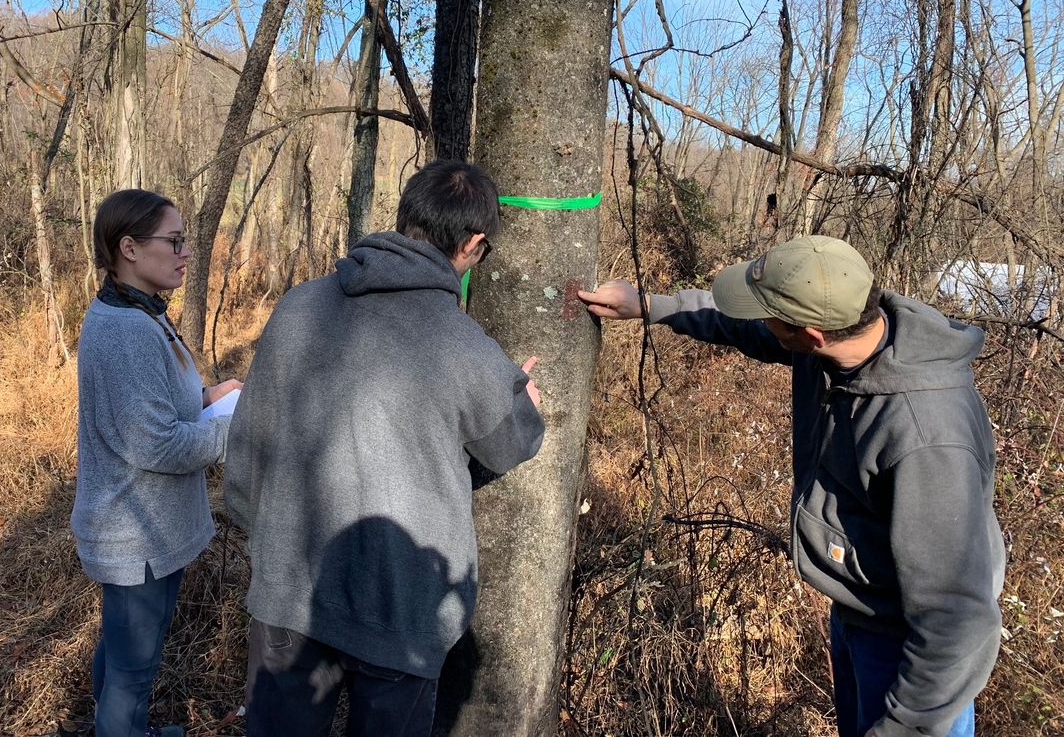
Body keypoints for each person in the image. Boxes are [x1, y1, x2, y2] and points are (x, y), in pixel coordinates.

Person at [579, 235, 1005, 737]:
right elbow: (743, 327)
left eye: (769, 315)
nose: (761, 322)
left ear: (810, 333)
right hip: (858, 611)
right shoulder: (842, 341)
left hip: (913, 651)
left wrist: (905, 727)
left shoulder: (927, 436)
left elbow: (956, 619)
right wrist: (652, 306)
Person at [226, 159, 545, 737]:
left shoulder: (298, 306)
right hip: (403, 607)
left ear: (403, 218)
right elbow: (513, 442)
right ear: (473, 244)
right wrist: (523, 397)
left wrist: (263, 543)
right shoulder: (464, 347)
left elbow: (248, 444)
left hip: (289, 588)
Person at [71, 189, 241, 737]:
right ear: (128, 248)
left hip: (148, 529)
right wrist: (235, 427)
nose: (184, 252)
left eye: (184, 240)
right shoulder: (126, 331)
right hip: (135, 535)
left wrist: (209, 397)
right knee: (132, 673)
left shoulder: (137, 311)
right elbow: (157, 445)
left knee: (121, 656)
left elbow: (152, 408)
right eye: (173, 241)